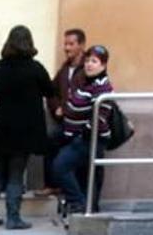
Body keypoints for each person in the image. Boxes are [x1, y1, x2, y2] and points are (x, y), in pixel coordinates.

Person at [0, 26, 55, 230]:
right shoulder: (35, 68)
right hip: (24, 132)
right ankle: (13, 218)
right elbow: (50, 91)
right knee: (15, 174)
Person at [50, 45, 115, 214]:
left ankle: (79, 203)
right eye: (87, 60)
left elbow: (100, 115)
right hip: (75, 137)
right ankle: (85, 209)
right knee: (85, 177)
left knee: (60, 167)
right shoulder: (85, 81)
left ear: (103, 65)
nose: (89, 64)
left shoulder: (102, 86)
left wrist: (82, 132)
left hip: (88, 140)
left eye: (94, 61)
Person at [37, 28, 87, 196]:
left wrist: (67, 108)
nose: (67, 48)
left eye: (71, 44)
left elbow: (86, 95)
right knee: (50, 142)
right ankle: (51, 184)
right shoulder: (64, 69)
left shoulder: (88, 67)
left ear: (81, 45)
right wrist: (56, 107)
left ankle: (77, 196)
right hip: (64, 123)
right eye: (65, 44)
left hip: (82, 127)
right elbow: (51, 91)